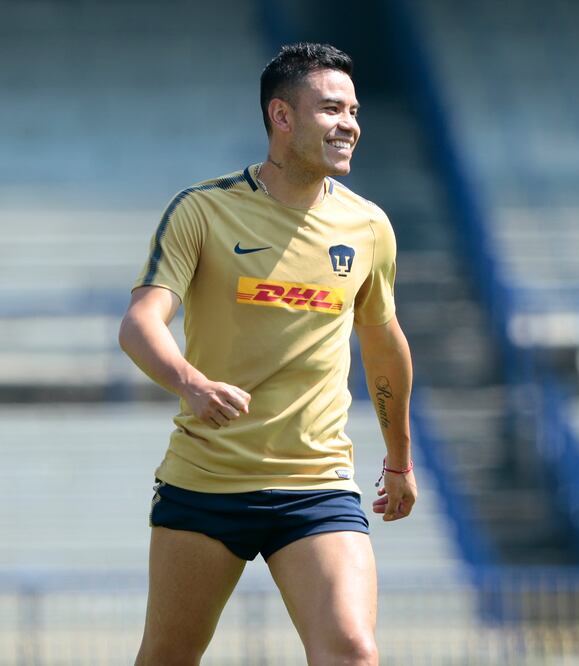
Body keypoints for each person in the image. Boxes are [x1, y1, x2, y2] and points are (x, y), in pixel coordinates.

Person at [119, 42, 417, 666]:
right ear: (282, 116)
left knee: (353, 651)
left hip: (317, 485)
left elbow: (384, 346)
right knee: (168, 656)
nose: (350, 125)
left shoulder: (369, 227)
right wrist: (192, 383)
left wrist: (399, 460)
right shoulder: (202, 209)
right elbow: (140, 323)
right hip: (207, 480)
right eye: (331, 109)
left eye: (354, 111)